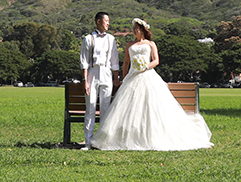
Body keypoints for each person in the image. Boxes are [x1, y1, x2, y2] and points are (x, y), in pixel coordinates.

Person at [91, 18, 212, 151]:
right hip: (132, 76)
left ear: (143, 30)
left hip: (147, 74)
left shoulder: (151, 44)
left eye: (137, 28)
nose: (135, 30)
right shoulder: (129, 44)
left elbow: (156, 60)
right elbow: (126, 63)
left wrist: (145, 67)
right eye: (134, 28)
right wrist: (124, 77)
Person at [79, 11, 120, 150]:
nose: (108, 23)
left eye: (108, 21)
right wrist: (85, 80)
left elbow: (115, 60)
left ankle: (103, 142)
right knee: (90, 107)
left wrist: (116, 78)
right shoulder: (88, 39)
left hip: (107, 73)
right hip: (93, 72)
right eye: (106, 20)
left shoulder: (111, 39)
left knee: (105, 109)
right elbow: (84, 61)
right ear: (98, 21)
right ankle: (88, 142)